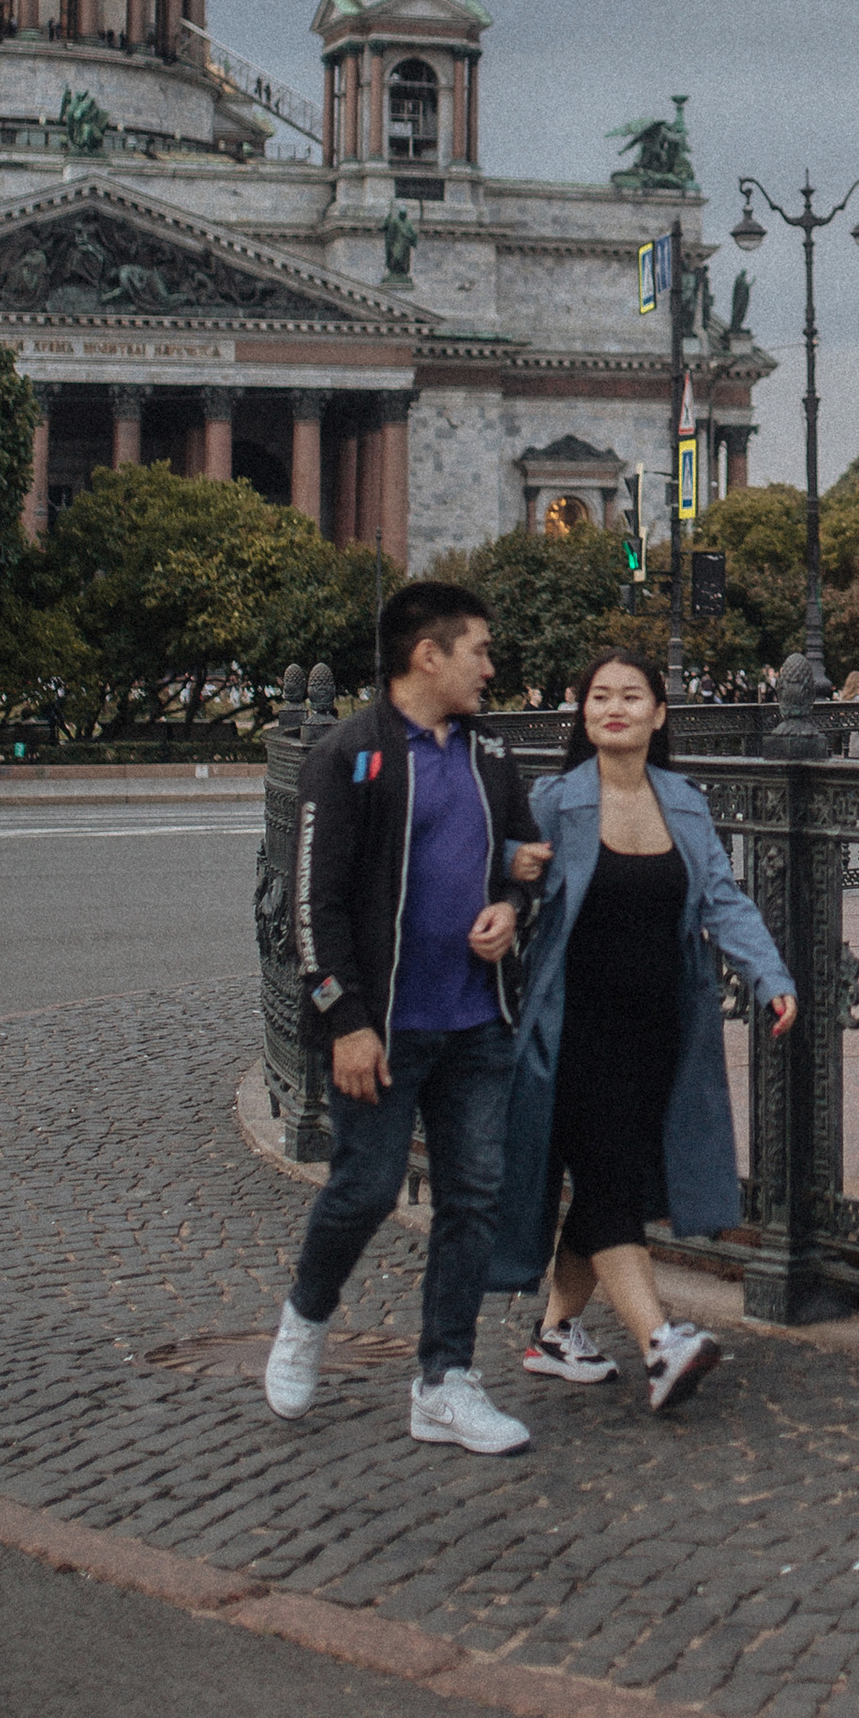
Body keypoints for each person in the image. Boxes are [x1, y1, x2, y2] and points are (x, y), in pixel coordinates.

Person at [264, 580, 549, 1455]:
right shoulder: (350, 755)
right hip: (383, 1030)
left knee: (473, 1198)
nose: (490, 668)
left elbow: (520, 860)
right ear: (429, 655)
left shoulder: (493, 753)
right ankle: (305, 1320)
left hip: (476, 1023)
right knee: (364, 1189)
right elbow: (315, 905)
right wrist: (344, 1018)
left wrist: (511, 906)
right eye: (479, 650)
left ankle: (446, 1381)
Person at [491, 646, 797, 1412]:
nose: (614, 708)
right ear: (583, 713)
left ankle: (556, 1336)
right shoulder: (557, 800)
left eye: (631, 696)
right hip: (574, 1030)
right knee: (610, 1181)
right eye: (599, 697)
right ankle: (662, 1343)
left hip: (663, 1026)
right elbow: (508, 876)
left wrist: (770, 977)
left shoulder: (683, 801)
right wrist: (510, 878)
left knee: (610, 1183)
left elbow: (723, 901)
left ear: (659, 713)